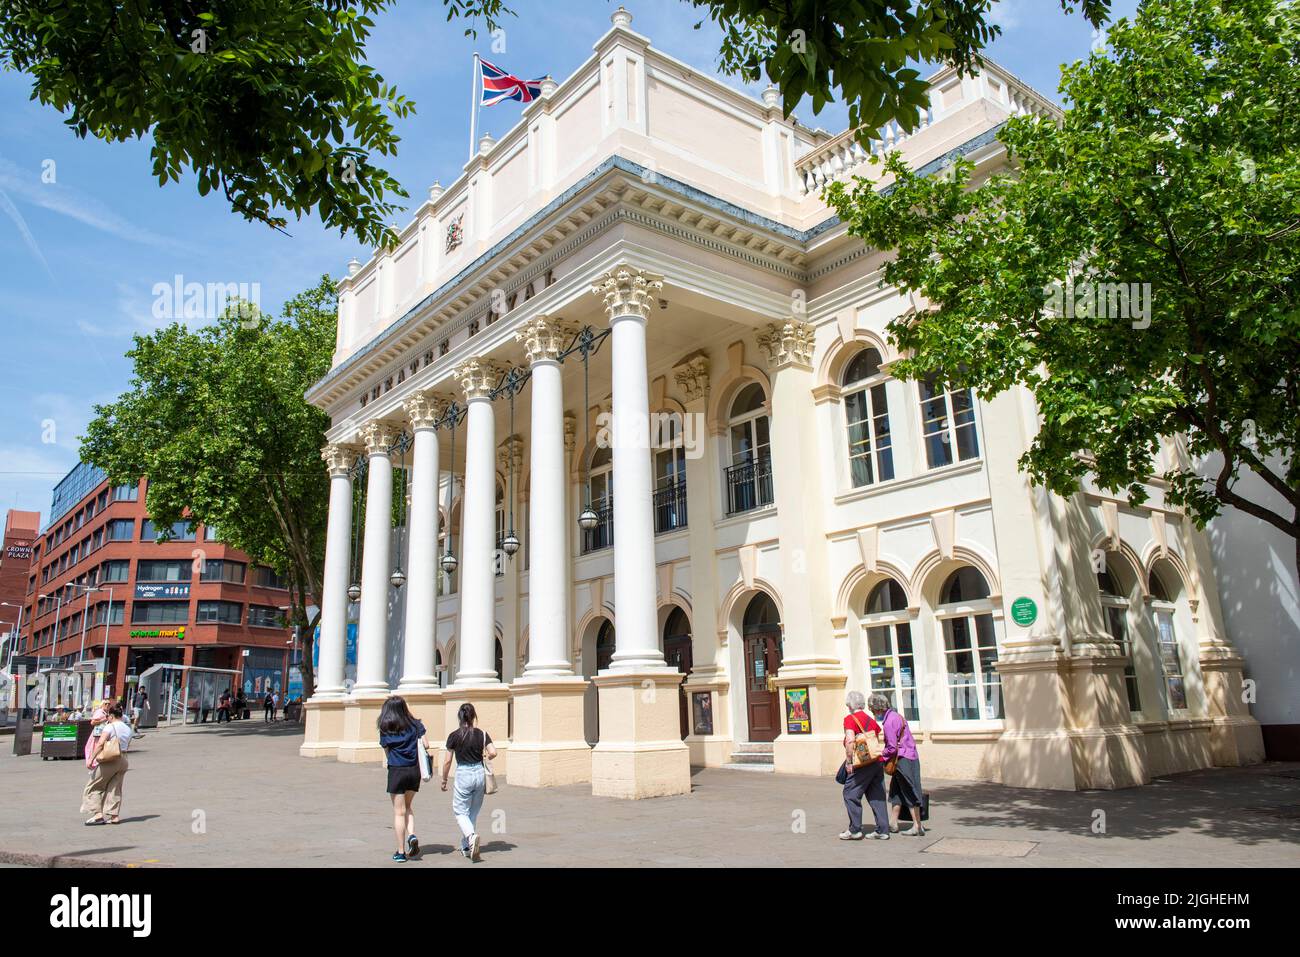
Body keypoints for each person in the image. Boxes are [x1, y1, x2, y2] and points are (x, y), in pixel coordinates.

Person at [440, 702, 496, 862]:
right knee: (473, 811)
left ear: (460, 717)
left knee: (460, 811)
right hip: (479, 773)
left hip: (463, 774)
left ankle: (471, 837)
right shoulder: (482, 734)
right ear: (473, 717)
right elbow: (493, 752)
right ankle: (466, 846)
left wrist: (444, 780)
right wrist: (487, 756)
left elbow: (447, 761)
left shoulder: (454, 735)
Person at [378, 696, 427, 863]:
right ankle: (411, 835)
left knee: (399, 812)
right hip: (414, 771)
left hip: (397, 771)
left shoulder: (385, 727)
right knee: (408, 806)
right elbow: (426, 745)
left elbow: (386, 750)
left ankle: (400, 852)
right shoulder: (416, 725)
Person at [870, 693, 925, 836]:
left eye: (872, 710)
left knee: (909, 789)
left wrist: (882, 756)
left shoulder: (888, 722)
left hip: (902, 759)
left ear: (877, 709)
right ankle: (893, 823)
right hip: (911, 755)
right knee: (896, 790)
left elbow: (892, 747)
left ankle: (917, 825)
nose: (873, 713)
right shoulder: (897, 716)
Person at [839, 690, 890, 841]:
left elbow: (850, 741)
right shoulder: (871, 720)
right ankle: (883, 829)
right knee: (877, 795)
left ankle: (855, 829)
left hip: (861, 763)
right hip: (876, 761)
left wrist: (849, 762)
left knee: (850, 793)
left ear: (849, 705)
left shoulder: (850, 719)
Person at [81, 702, 132, 825]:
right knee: (115, 788)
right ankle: (114, 816)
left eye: (108, 716)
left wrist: (91, 759)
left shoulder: (109, 727)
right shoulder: (128, 728)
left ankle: (98, 815)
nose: (107, 718)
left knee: (94, 785)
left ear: (112, 716)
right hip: (123, 759)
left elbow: (100, 744)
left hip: (110, 759)